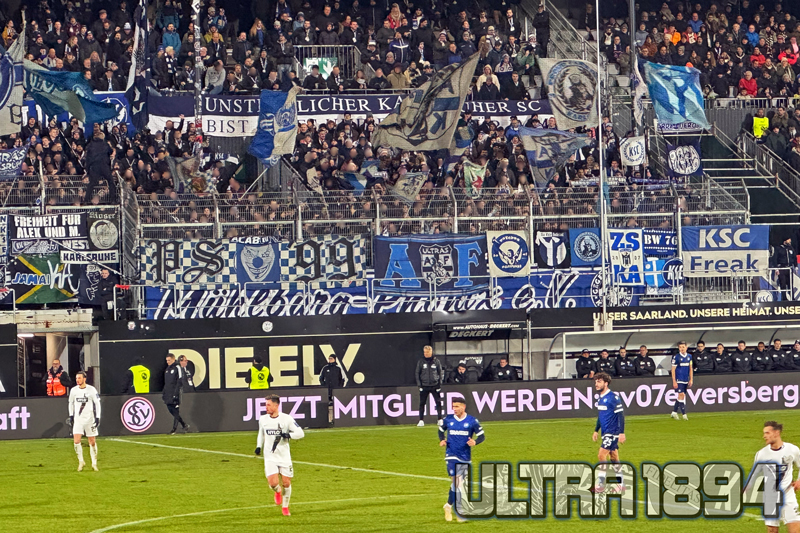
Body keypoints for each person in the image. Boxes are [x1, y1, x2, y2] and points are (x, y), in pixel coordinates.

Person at [255, 394, 305, 516]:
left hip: (284, 456)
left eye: (268, 405)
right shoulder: (263, 419)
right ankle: (277, 491)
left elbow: (300, 433)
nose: (266, 407)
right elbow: (261, 433)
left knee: (286, 483)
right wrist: (258, 446)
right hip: (270, 457)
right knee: (273, 483)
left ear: (276, 405)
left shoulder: (287, 419)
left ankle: (285, 507)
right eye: (266, 405)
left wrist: (289, 435)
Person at [747, 421, 800, 532]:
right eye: (764, 433)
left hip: (788, 495)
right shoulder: (761, 454)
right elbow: (754, 474)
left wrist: (799, 480)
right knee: (772, 530)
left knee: (795, 529)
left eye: (767, 433)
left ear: (776, 433)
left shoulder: (792, 449)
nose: (764, 436)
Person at [438, 398, 484, 522]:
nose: (454, 409)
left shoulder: (472, 421)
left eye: (457, 406)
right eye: (453, 406)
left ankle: (448, 506)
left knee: (457, 484)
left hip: (465, 457)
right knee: (457, 482)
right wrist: (442, 440)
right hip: (451, 455)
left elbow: (482, 436)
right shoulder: (448, 419)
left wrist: (475, 442)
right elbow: (441, 430)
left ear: (463, 407)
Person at [591, 372, 625, 493]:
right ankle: (621, 484)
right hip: (605, 432)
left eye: (599, 381)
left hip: (612, 432)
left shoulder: (613, 398)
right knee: (614, 457)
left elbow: (621, 416)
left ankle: (601, 484)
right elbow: (601, 416)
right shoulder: (600, 398)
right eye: (596, 381)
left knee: (601, 455)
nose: (596, 384)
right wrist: (596, 430)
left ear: (606, 383)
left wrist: (621, 433)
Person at [67, 371, 100, 472]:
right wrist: (71, 415)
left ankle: (94, 463)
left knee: (92, 441)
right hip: (78, 420)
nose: (77, 380)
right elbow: (70, 403)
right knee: (76, 441)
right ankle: (81, 461)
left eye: (79, 378)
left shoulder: (91, 390)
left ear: (84, 379)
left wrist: (97, 417)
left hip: (90, 419)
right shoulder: (73, 390)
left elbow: (97, 403)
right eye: (76, 378)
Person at [415, 345, 443, 427]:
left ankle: (440, 419)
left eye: (427, 352)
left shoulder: (436, 361)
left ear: (431, 352)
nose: (426, 354)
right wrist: (419, 385)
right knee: (422, 403)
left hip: (435, 385)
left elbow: (440, 372)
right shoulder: (421, 361)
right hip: (424, 385)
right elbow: (417, 373)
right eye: (425, 352)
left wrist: (439, 384)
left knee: (438, 402)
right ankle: (421, 420)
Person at [163, 353, 189, 434]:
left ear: (173, 360)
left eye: (169, 360)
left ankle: (174, 429)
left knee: (175, 411)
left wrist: (176, 393)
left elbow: (180, 380)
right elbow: (166, 383)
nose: (167, 362)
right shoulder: (167, 369)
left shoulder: (177, 367)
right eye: (167, 360)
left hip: (175, 392)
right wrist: (164, 392)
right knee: (171, 410)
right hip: (168, 393)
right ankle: (184, 424)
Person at [670, 341, 692, 421]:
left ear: (686, 347)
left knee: (681, 396)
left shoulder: (689, 356)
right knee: (681, 395)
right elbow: (673, 370)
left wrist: (691, 379)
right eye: (680, 347)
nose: (682, 349)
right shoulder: (676, 357)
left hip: (685, 379)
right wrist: (674, 381)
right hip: (679, 379)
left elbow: (690, 368)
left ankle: (674, 412)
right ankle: (684, 415)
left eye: (683, 347)